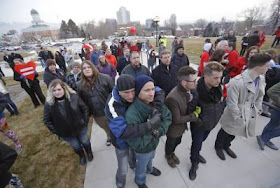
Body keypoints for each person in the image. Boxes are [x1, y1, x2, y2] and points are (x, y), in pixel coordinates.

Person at [105, 74, 163, 188]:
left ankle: (135, 166)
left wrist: (157, 105)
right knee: (123, 168)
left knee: (134, 157)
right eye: (126, 93)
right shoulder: (112, 105)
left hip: (136, 138)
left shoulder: (134, 89)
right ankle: (120, 183)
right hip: (121, 142)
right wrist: (149, 124)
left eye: (133, 91)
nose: (131, 95)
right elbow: (122, 132)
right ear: (119, 91)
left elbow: (158, 90)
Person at [215, 54, 271, 160]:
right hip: (236, 113)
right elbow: (232, 103)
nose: (268, 68)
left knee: (235, 133)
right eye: (267, 66)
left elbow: (260, 95)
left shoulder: (261, 79)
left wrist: (258, 109)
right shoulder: (236, 82)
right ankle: (218, 147)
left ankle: (227, 146)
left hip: (249, 111)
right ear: (258, 67)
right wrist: (239, 117)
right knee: (226, 130)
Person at [125, 75, 172, 188]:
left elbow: (168, 117)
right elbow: (136, 143)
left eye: (152, 89)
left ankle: (150, 169)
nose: (151, 93)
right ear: (137, 92)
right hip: (142, 150)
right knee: (141, 166)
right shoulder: (132, 114)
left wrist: (158, 131)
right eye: (147, 90)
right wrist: (152, 130)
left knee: (151, 158)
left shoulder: (156, 103)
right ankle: (140, 180)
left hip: (153, 144)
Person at [189, 62, 225, 180]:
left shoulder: (217, 87)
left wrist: (219, 113)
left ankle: (197, 154)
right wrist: (200, 122)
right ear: (206, 76)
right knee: (197, 144)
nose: (218, 80)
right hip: (200, 125)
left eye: (220, 77)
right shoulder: (195, 91)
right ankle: (194, 162)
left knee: (202, 141)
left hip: (211, 122)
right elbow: (190, 112)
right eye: (215, 77)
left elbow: (219, 102)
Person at [43, 79, 92, 165]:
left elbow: (85, 108)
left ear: (64, 88)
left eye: (59, 89)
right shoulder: (49, 104)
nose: (57, 92)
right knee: (76, 145)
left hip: (80, 127)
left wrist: (84, 121)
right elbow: (47, 120)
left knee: (85, 141)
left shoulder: (74, 97)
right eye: (54, 90)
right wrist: (57, 131)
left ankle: (89, 152)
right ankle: (81, 156)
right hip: (65, 132)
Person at [164, 66, 199, 168]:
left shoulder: (188, 90)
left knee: (178, 141)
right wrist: (193, 116)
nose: (196, 83)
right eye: (193, 81)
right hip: (173, 129)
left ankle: (172, 152)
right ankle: (168, 155)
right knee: (171, 143)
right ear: (184, 83)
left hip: (181, 127)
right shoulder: (173, 98)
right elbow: (177, 119)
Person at [77, 60, 114, 146]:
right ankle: (109, 135)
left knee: (114, 125)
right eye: (84, 68)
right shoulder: (79, 85)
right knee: (105, 126)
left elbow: (113, 93)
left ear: (93, 68)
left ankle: (117, 136)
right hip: (97, 113)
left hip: (110, 109)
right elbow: (81, 101)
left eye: (89, 67)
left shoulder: (106, 78)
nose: (87, 69)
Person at [256, 82, 280, 150]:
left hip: (277, 109)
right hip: (277, 109)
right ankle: (264, 138)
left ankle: (265, 139)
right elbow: (271, 92)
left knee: (272, 125)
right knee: (273, 125)